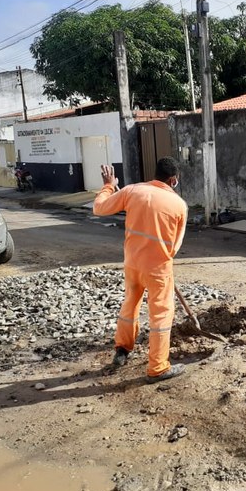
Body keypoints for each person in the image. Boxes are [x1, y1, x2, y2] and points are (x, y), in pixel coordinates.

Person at [93, 157, 188, 383]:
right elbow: (175, 246)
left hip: (132, 264)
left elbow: (99, 208)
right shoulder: (178, 205)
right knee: (161, 315)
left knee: (130, 304)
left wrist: (108, 185)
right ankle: (158, 367)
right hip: (158, 269)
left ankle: (122, 350)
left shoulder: (132, 191)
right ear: (173, 180)